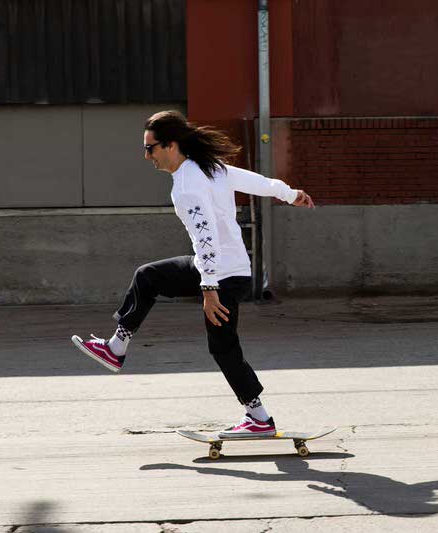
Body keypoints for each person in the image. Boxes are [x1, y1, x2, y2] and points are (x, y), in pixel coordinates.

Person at [71, 110, 314, 438]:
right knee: (148, 276)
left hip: (223, 275)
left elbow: (206, 235)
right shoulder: (208, 168)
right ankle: (116, 347)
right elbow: (256, 182)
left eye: (150, 148)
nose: (146, 156)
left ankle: (258, 417)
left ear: (170, 146)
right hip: (220, 268)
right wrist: (290, 193)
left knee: (222, 346)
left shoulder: (187, 185)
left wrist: (209, 288)